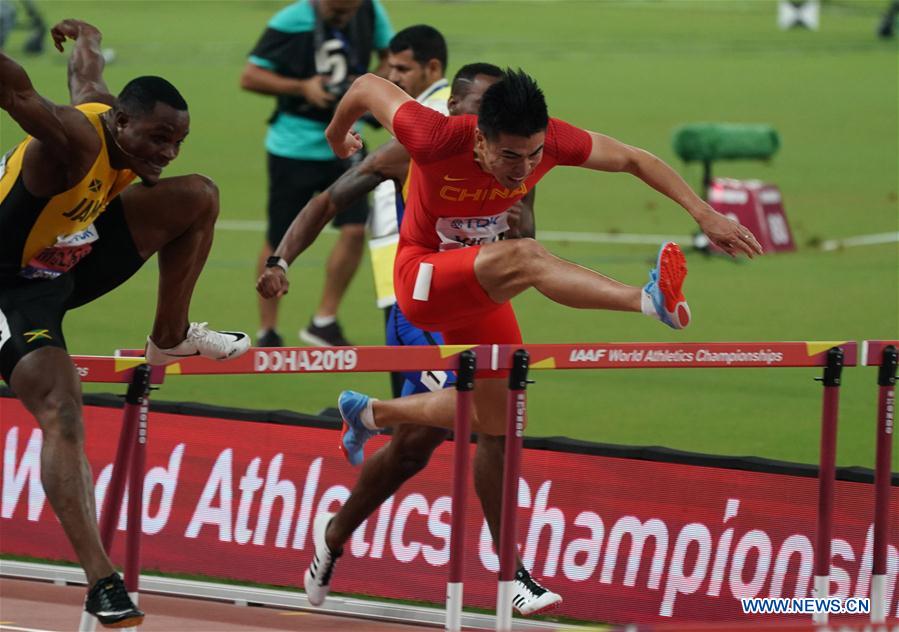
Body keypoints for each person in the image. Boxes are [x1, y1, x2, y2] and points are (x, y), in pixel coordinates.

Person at [257, 62, 559, 616]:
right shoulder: (415, 153)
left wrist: (520, 229)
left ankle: (506, 568)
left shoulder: (517, 161)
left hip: (480, 307)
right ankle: (344, 529)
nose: (484, 124)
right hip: (420, 307)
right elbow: (329, 201)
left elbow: (528, 239)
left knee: (460, 435)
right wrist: (280, 259)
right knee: (432, 441)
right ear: (454, 109)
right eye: (474, 111)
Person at [0, 19, 250, 627]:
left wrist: (85, 34)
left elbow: (88, 72)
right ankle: (102, 582)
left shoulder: (112, 115)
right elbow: (16, 90)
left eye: (176, 142)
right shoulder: (69, 142)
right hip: (8, 286)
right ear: (121, 126)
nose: (166, 153)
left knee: (198, 195)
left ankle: (171, 336)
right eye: (158, 139)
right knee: (62, 404)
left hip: (62, 263)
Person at [240, 0, 393, 348]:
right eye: (336, 11)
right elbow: (250, 76)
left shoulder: (371, 10)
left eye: (349, 10)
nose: (344, 16)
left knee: (355, 229)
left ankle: (324, 321)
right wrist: (301, 87)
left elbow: (390, 55)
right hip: (293, 144)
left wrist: (369, 84)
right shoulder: (291, 19)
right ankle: (268, 331)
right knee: (279, 236)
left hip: (347, 142)